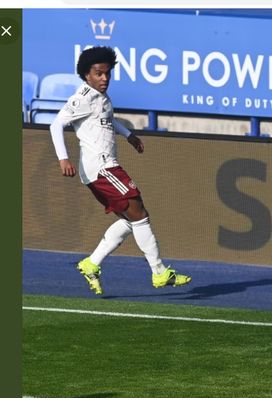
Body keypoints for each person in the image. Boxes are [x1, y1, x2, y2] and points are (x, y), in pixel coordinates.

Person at [49, 46, 191, 295]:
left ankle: (91, 263)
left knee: (131, 219)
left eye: (107, 74)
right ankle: (159, 272)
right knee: (139, 212)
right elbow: (56, 124)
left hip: (105, 167)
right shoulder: (83, 97)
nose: (104, 79)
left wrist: (128, 135)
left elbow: (107, 120)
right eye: (98, 73)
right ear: (86, 75)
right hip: (101, 167)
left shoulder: (101, 98)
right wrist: (64, 159)